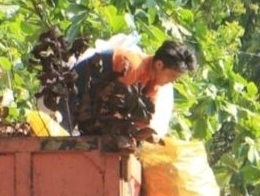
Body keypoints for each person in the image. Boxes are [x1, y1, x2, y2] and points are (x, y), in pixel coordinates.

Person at [60, 39, 197, 140]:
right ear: (159, 65)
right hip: (71, 96)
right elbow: (115, 106)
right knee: (60, 141)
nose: (172, 81)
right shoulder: (132, 66)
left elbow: (145, 120)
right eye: (172, 76)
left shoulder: (153, 84)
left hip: (91, 109)